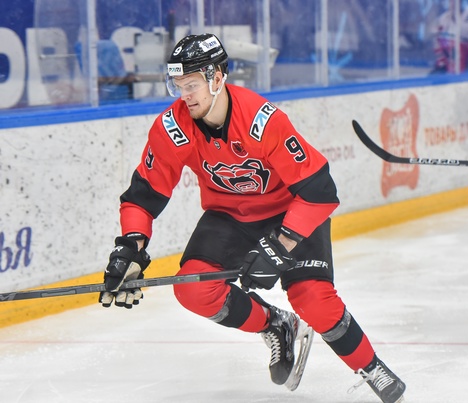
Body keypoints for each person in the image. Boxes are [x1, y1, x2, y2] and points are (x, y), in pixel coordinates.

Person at [97, 33, 406, 403]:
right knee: (193, 289)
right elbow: (143, 196)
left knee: (312, 300)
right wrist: (131, 246)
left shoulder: (262, 120)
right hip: (230, 215)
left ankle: (371, 367)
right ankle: (275, 324)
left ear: (217, 78)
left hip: (290, 212)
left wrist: (280, 247)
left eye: (191, 85)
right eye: (178, 86)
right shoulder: (172, 128)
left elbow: (319, 191)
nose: (184, 95)